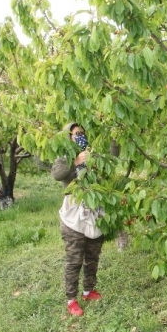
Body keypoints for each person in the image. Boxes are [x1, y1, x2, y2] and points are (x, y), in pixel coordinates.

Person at [51, 123, 104, 317]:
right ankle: (71, 299)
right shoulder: (64, 156)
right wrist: (75, 162)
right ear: (68, 137)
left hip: (94, 212)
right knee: (74, 260)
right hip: (73, 215)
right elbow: (57, 175)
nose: (80, 136)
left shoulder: (93, 153)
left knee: (92, 256)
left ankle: (88, 290)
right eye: (76, 134)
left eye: (82, 133)